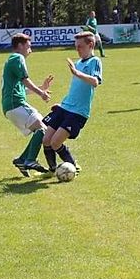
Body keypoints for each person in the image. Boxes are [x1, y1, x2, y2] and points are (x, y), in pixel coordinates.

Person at [41, 32, 103, 173]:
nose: (77, 50)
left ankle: (73, 167)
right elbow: (75, 89)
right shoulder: (78, 63)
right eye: (76, 47)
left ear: (90, 45)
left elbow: (95, 82)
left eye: (80, 46)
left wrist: (77, 73)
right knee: (46, 140)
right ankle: (52, 170)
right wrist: (62, 105)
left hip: (78, 112)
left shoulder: (95, 61)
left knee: (55, 142)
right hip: (65, 107)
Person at [2, 33, 54, 176]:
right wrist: (41, 93)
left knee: (42, 128)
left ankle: (22, 160)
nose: (30, 50)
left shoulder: (11, 60)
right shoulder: (18, 58)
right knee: (43, 128)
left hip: (11, 105)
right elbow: (25, 80)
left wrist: (41, 88)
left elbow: (19, 88)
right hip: (16, 104)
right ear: (20, 46)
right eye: (29, 46)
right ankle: (30, 160)